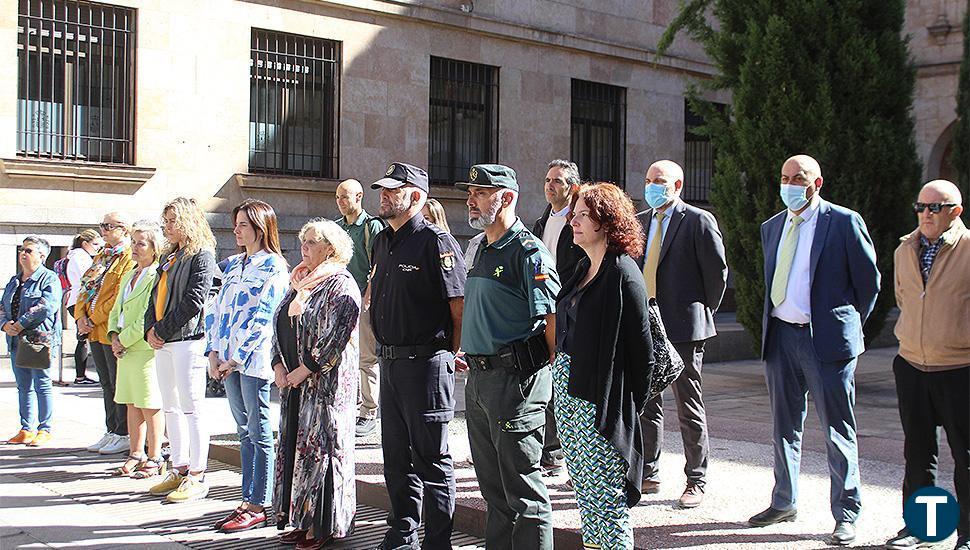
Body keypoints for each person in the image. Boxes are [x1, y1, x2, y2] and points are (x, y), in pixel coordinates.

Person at [748, 154, 880, 547]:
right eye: (785, 177)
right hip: (781, 338)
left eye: (799, 178)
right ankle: (784, 500)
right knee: (783, 427)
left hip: (826, 343)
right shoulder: (772, 226)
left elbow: (868, 284)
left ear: (816, 183)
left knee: (838, 431)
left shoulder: (843, 222)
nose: (790, 184)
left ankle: (846, 514)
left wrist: (846, 326)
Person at [459, 163, 559, 550]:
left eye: (481, 193)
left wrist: (531, 381)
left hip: (514, 384)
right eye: (471, 192)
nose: (471, 199)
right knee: (494, 492)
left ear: (507, 198)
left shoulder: (528, 251)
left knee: (524, 492)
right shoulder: (481, 246)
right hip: (480, 381)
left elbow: (552, 322)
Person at [369, 162, 465, 550]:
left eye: (393, 190)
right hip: (390, 363)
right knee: (395, 458)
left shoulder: (435, 241)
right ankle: (401, 534)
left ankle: (438, 543)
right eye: (383, 190)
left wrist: (448, 355)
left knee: (431, 461)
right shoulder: (382, 240)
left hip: (425, 364)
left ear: (416, 197)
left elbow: (458, 306)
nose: (384, 196)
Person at [556, 182, 654, 548]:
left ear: (607, 222)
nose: (574, 221)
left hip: (601, 406)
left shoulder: (623, 274)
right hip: (571, 404)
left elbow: (641, 354)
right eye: (574, 214)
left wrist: (621, 407)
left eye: (583, 215)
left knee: (608, 508)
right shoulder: (582, 266)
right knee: (588, 503)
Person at [637, 160, 727, 508]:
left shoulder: (698, 221)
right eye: (648, 180)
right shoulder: (642, 222)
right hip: (646, 324)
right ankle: (648, 470)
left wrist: (701, 314)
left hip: (684, 328)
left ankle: (696, 479)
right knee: (646, 402)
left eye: (659, 181)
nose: (652, 186)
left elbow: (716, 275)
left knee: (688, 405)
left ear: (677, 186)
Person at [885, 180, 969, 550]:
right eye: (921, 206)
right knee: (918, 453)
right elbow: (904, 298)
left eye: (936, 207)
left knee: (965, 456)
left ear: (956, 211)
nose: (926, 214)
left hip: (959, 367)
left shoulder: (967, 249)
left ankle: (967, 533)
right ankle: (924, 528)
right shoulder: (905, 249)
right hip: (913, 364)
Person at [272, 219, 361, 550]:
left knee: (322, 451)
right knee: (296, 450)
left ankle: (322, 524)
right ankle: (300, 517)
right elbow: (278, 322)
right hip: (294, 383)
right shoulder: (299, 281)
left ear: (331, 248)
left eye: (310, 242)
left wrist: (305, 369)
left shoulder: (341, 284)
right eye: (302, 240)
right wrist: (278, 364)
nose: (303, 247)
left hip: (324, 385)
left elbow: (337, 337)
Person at [206, 199, 289, 533]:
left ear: (260, 227)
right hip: (226, 360)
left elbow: (263, 317)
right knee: (243, 432)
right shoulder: (233, 264)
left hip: (251, 361)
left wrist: (235, 358)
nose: (237, 230)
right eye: (236, 223)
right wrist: (213, 353)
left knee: (258, 431)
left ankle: (259, 502)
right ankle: (246, 498)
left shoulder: (274, 267)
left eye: (243, 224)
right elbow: (216, 309)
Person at [145, 197, 217, 503]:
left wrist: (161, 329)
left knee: (191, 407)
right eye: (165, 221)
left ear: (188, 221)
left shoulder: (202, 255)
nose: (167, 227)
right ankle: (178, 466)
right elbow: (154, 295)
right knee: (170, 406)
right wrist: (151, 327)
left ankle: (197, 474)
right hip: (163, 341)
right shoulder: (168, 256)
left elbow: (194, 300)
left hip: (187, 340)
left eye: (173, 220)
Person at [532, 159, 586, 477]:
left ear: (572, 187)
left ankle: (556, 451)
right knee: (546, 376)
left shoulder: (577, 222)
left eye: (558, 181)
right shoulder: (542, 222)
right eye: (547, 180)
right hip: (543, 309)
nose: (550, 185)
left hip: (569, 311)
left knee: (563, 380)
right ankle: (546, 446)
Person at [106, 221, 165, 478]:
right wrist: (113, 336)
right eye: (133, 242)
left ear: (154, 248)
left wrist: (125, 340)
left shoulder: (155, 274)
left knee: (149, 404)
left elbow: (146, 315)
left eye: (141, 243)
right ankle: (135, 452)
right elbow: (115, 309)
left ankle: (155, 456)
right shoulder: (130, 274)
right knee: (131, 403)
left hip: (143, 349)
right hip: (125, 350)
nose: (135, 247)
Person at [76, 212, 136, 455]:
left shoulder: (128, 256)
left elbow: (117, 296)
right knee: (105, 382)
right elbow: (85, 285)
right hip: (93, 331)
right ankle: (111, 429)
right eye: (102, 225)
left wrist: (93, 317)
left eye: (109, 226)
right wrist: (80, 316)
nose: (104, 230)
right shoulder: (102, 255)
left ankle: (123, 432)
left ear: (124, 229)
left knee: (116, 383)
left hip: (108, 329)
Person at [334, 178, 386, 438]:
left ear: (359, 197)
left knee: (367, 357)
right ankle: (347, 401)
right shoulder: (336, 227)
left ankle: (369, 410)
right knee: (342, 354)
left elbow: (378, 265)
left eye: (346, 197)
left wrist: (369, 294)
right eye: (338, 198)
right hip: (340, 299)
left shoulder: (371, 226)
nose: (342, 202)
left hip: (363, 299)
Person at [2, 237, 61, 446]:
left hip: (37, 339)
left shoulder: (49, 279)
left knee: (42, 384)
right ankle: (26, 428)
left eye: (28, 250)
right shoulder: (14, 280)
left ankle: (44, 429)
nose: (23, 254)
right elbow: (2, 305)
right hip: (15, 340)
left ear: (42, 256)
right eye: (21, 250)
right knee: (23, 385)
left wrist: (20, 323)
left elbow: (46, 306)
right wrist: (5, 325)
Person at [64, 229, 103, 385]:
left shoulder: (78, 256)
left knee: (84, 338)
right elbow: (87, 281)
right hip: (80, 301)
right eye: (94, 244)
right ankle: (80, 375)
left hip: (78, 300)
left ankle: (81, 375)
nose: (97, 248)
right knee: (84, 337)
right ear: (85, 243)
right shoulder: (80, 257)